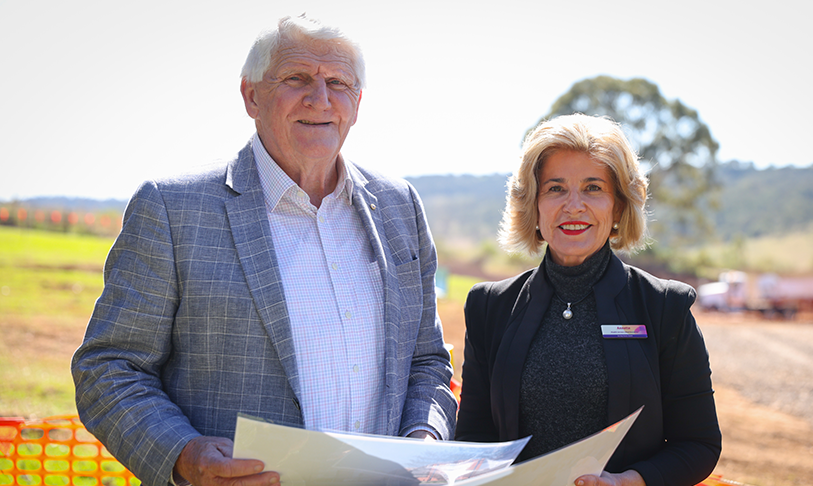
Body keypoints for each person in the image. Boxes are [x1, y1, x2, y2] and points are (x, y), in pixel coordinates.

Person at [72, 14, 456, 486]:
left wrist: (425, 441)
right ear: (251, 95)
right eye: (297, 78)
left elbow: (426, 361)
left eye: (338, 83)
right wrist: (185, 454)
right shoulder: (172, 209)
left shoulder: (400, 207)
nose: (320, 98)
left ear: (357, 104)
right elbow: (109, 367)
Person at [454, 113, 721, 486]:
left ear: (619, 207)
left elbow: (698, 444)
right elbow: (472, 437)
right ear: (533, 207)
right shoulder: (489, 307)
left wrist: (629, 481)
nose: (574, 205)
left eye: (593, 188)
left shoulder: (664, 307)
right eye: (555, 188)